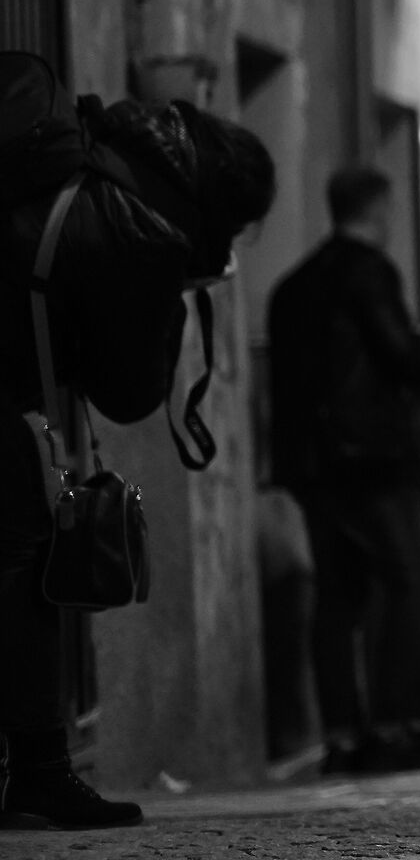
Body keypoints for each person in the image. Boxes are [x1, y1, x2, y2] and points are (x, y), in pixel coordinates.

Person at [0, 76, 275, 829]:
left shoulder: (95, 153)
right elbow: (130, 391)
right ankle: (39, 777)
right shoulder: (144, 229)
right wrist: (178, 291)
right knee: (24, 560)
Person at [267, 166, 420, 773]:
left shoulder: (293, 286)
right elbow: (399, 356)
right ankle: (395, 725)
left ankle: (343, 733)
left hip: (313, 465)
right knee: (415, 579)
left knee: (338, 595)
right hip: (373, 457)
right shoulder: (370, 273)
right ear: (379, 208)